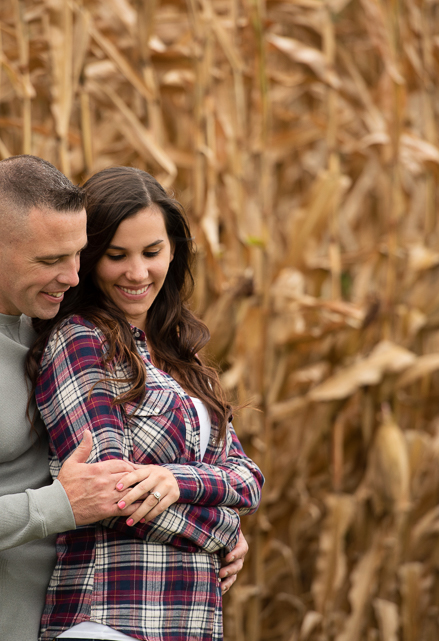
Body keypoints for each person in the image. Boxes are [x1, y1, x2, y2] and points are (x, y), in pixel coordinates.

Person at [0, 155, 247, 641]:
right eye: (49, 261)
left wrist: (221, 521)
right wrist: (59, 505)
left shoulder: (30, 324)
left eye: (76, 256)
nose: (71, 277)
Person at [28, 166, 264, 641]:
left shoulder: (180, 353)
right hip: (108, 622)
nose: (138, 272)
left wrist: (173, 481)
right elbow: (110, 496)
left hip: (187, 625)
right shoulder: (81, 344)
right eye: (117, 256)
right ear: (89, 259)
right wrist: (223, 533)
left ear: (173, 252)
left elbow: (249, 478)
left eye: (152, 252)